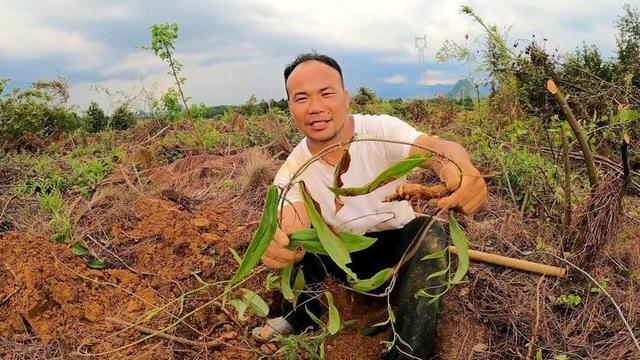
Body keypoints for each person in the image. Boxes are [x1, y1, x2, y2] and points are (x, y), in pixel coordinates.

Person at [252, 53, 487, 359]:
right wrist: (281, 240)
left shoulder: (380, 132)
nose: (316, 107)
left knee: (430, 232)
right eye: (301, 98)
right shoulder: (293, 170)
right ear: (291, 109)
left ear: (345, 97)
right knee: (306, 243)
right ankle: (302, 316)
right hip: (342, 257)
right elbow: (291, 219)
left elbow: (432, 147)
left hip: (395, 254)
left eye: (326, 93)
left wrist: (457, 166)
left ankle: (409, 351)